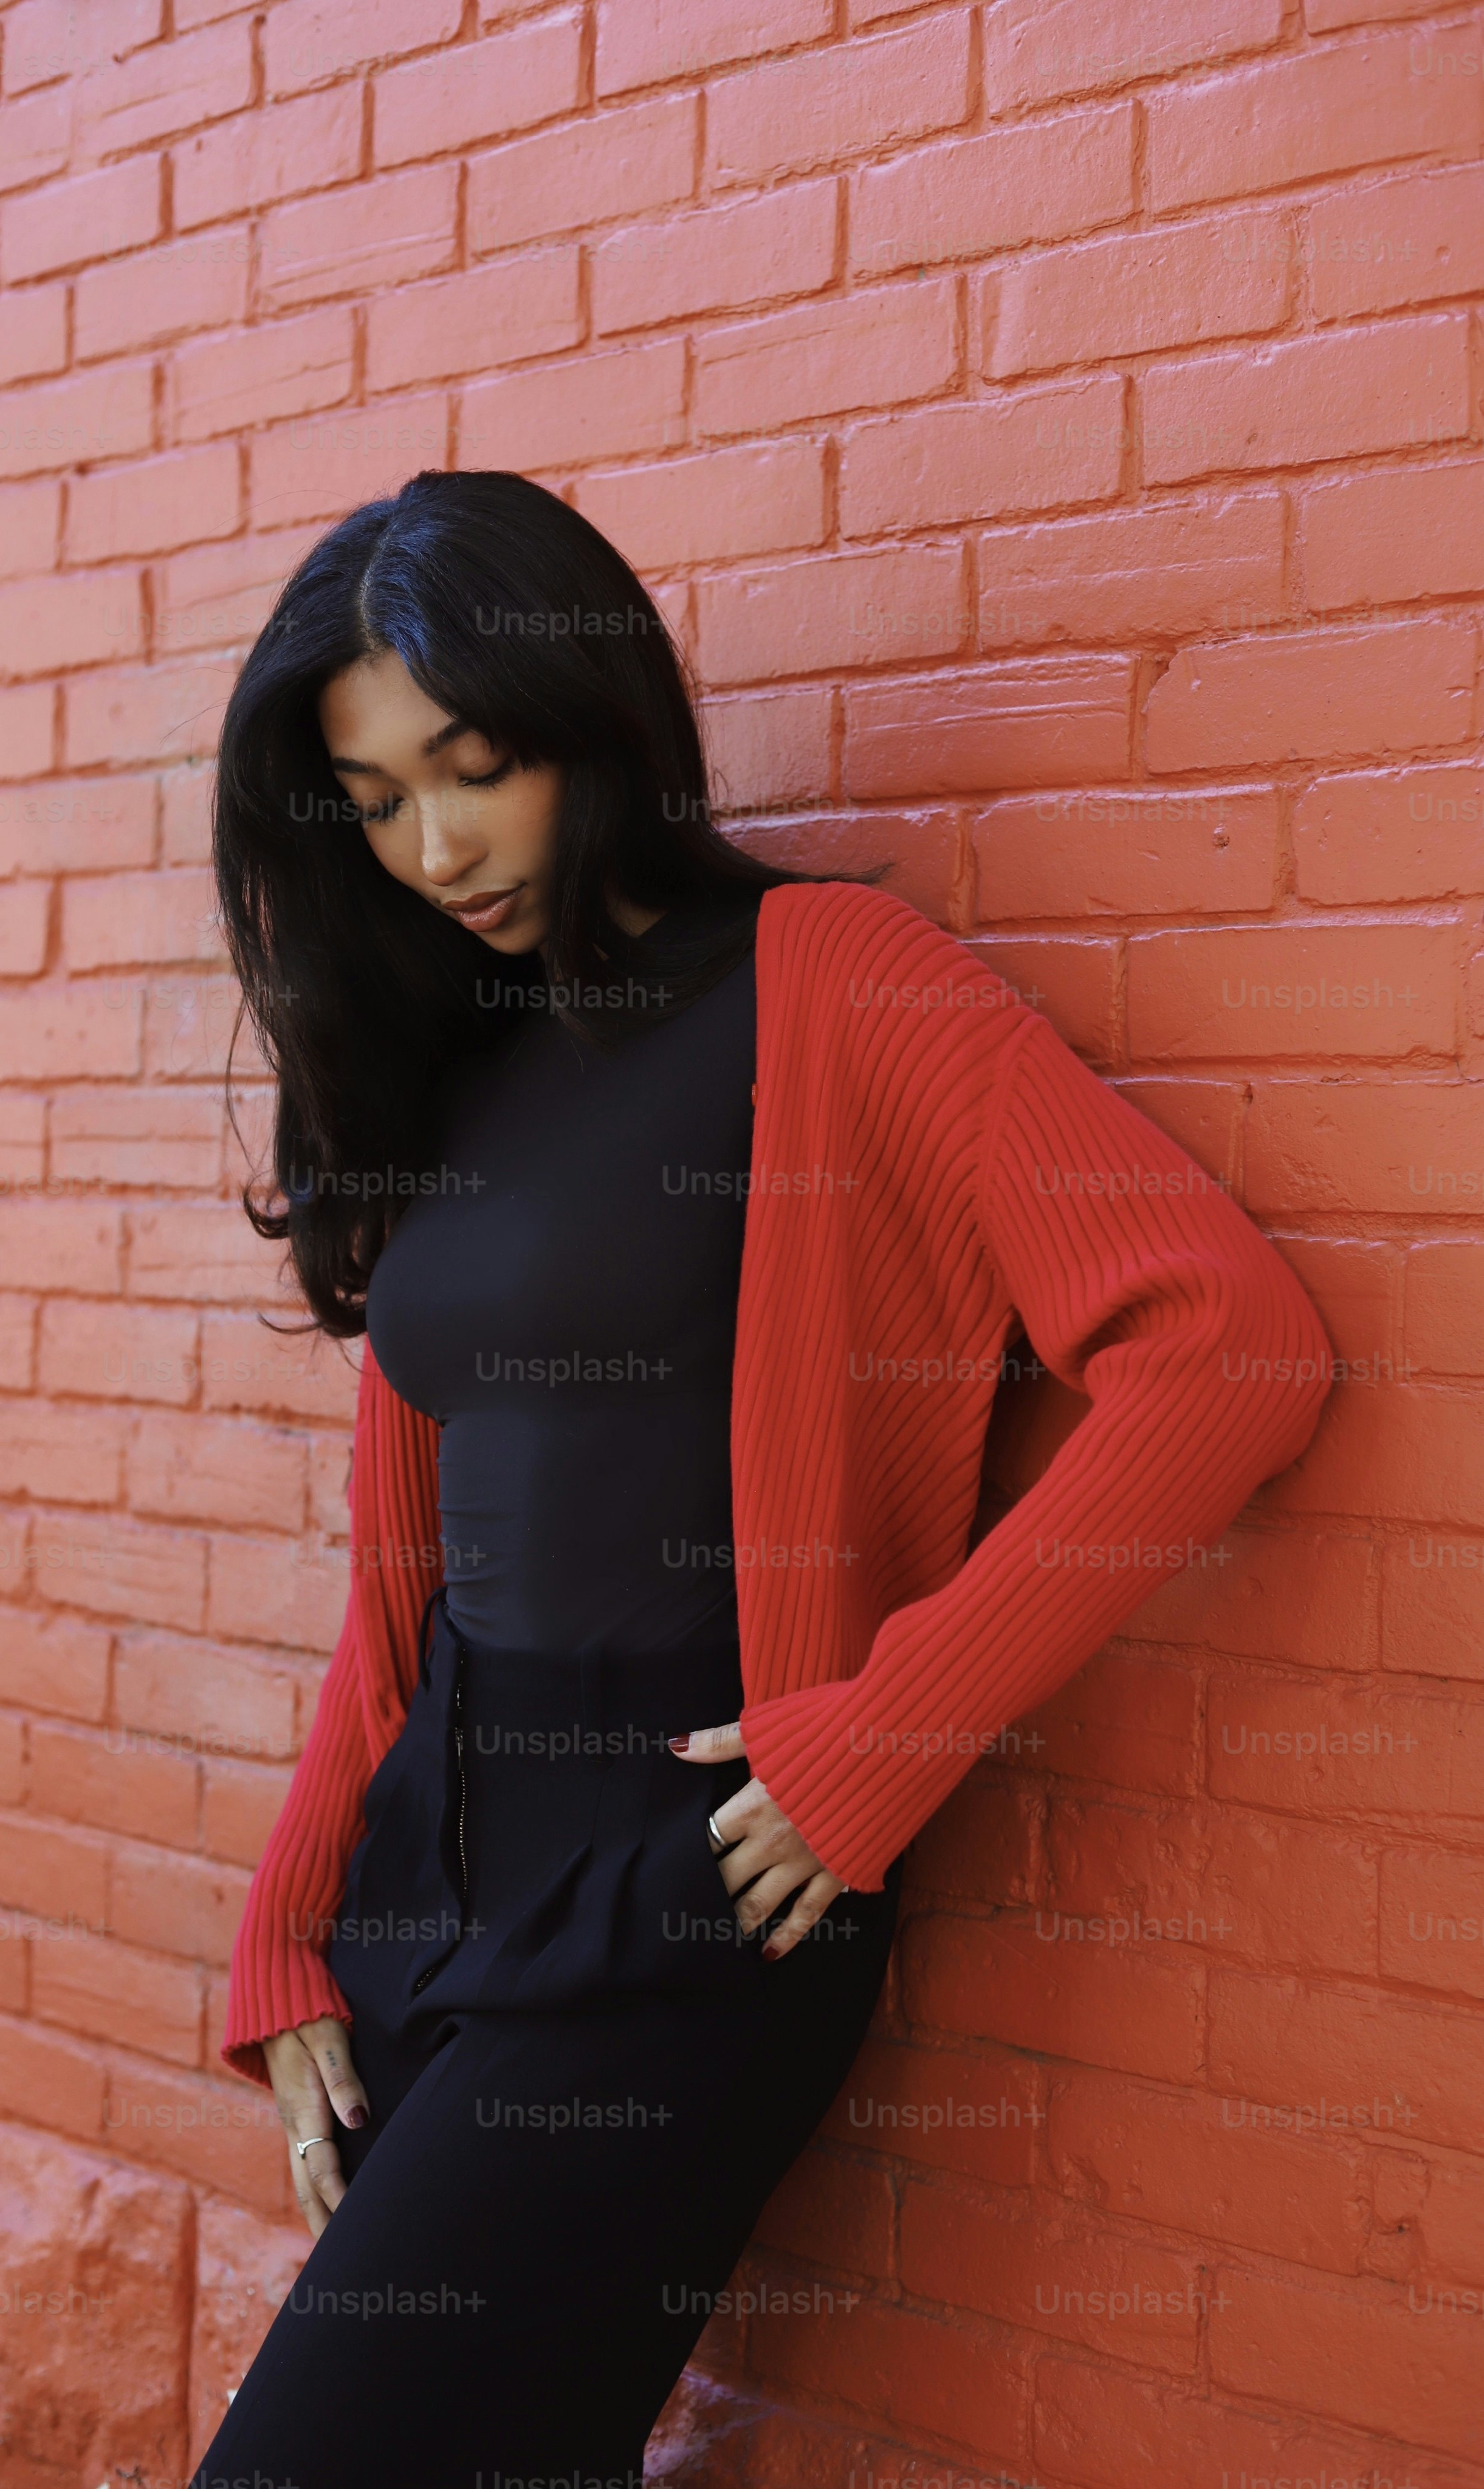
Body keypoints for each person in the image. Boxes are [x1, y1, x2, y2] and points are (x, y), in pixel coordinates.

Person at [190, 470, 1333, 2488]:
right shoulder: (452, 1054)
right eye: (374, 799)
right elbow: (407, 1580)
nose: (436, 846)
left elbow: (1227, 1347)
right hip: (430, 1873)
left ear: (601, 722)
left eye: (479, 767)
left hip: (691, 1874)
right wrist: (291, 1919)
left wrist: (883, 1739)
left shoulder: (835, 986)